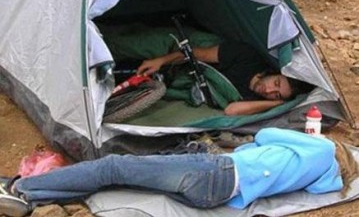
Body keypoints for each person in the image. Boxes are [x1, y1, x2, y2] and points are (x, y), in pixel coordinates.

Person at [0, 128, 357, 216]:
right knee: (123, 178)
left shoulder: (324, 148)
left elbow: (266, 135)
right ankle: (35, 195)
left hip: (215, 172)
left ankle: (20, 190)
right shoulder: (325, 183)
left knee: (114, 167)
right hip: (214, 196)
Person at [137, 40, 314, 115]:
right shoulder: (248, 56)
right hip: (192, 54)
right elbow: (199, 54)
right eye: (276, 83)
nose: (268, 90)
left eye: (276, 94)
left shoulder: (254, 100)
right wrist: (161, 60)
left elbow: (231, 110)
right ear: (275, 72)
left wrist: (276, 104)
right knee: (142, 45)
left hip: (191, 80)